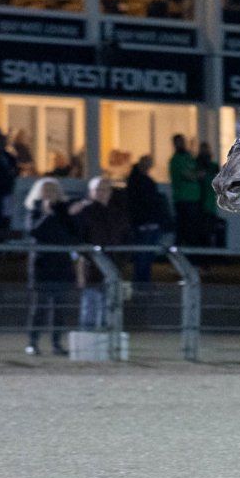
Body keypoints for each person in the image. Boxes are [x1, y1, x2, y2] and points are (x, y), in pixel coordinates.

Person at [23, 178, 76, 355]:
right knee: (39, 308)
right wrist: (46, 214)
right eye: (46, 190)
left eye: (53, 190)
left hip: (61, 265)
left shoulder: (64, 212)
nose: (49, 194)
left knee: (60, 309)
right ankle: (33, 342)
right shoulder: (34, 211)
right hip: (42, 266)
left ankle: (57, 344)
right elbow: (34, 232)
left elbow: (70, 235)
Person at [71, 177, 127, 331]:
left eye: (105, 189)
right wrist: (80, 270)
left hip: (113, 266)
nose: (101, 193)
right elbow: (78, 242)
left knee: (110, 307)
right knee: (90, 306)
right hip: (91, 267)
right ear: (90, 193)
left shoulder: (118, 214)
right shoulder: (83, 213)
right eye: (98, 190)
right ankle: (88, 340)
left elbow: (125, 238)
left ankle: (106, 341)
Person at [125, 155, 169, 284]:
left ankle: (141, 282)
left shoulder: (134, 179)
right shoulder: (141, 181)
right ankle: (142, 283)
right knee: (145, 255)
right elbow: (146, 203)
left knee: (144, 254)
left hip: (143, 222)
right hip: (146, 223)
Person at [168, 135, 202, 247]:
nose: (181, 144)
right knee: (184, 230)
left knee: (193, 230)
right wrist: (198, 175)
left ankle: (191, 258)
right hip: (183, 200)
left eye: (182, 142)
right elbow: (189, 176)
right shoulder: (176, 159)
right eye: (178, 142)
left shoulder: (189, 157)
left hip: (194, 198)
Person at [196, 142, 223, 247]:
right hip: (204, 201)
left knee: (206, 229)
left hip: (207, 202)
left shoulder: (211, 166)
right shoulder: (210, 166)